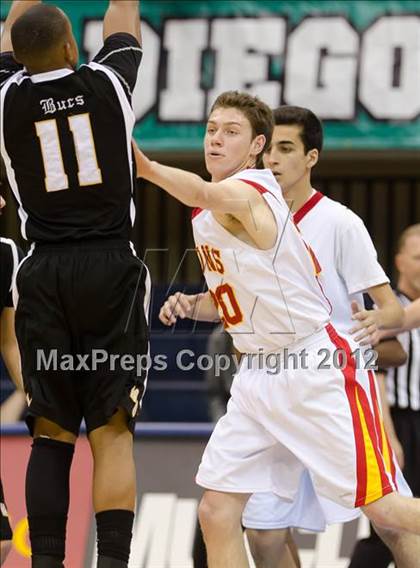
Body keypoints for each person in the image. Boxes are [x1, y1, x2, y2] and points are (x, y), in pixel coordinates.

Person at [133, 90, 419, 568]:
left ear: (255, 146)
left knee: (386, 510)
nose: (216, 139)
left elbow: (201, 191)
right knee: (218, 510)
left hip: (314, 370)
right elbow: (241, 301)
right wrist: (193, 304)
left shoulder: (252, 191)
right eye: (211, 129)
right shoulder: (210, 211)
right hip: (257, 376)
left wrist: (143, 166)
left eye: (231, 132)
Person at [0, 2, 150, 567]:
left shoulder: (4, 96)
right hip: (111, 267)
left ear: (18, 53)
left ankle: (44, 563)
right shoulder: (109, 82)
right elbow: (124, 12)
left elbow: (12, 34)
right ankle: (111, 561)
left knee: (51, 431)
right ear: (71, 48)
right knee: (112, 431)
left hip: (43, 271)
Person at [241, 106, 412, 568]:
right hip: (271, 388)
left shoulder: (340, 222)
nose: (272, 158)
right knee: (262, 531)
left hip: (332, 386)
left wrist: (381, 321)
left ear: (311, 156)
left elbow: (391, 305)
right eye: (267, 148)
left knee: (392, 520)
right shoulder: (246, 217)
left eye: (286, 148)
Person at [349, 224, 420, 567]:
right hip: (398, 419)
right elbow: (375, 366)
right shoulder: (391, 309)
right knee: (389, 523)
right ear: (399, 261)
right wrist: (388, 434)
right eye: (418, 257)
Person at [0, 195, 26, 564]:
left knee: (3, 542)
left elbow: (9, 341)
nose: (4, 202)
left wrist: (32, 392)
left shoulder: (6, 254)